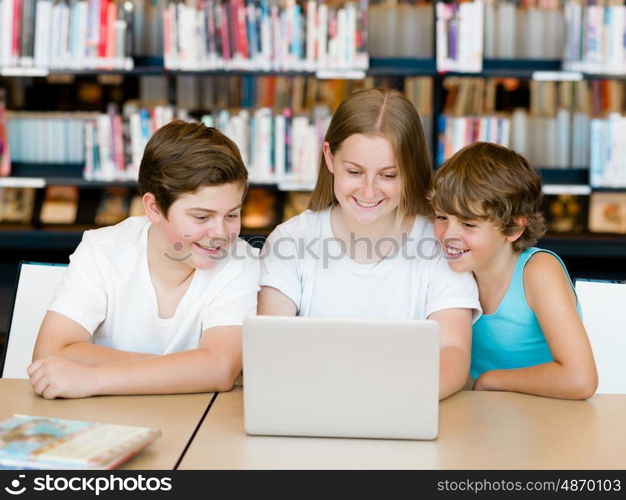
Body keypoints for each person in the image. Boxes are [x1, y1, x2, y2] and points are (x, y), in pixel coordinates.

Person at [258, 88, 481, 400]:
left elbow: (453, 352)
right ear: (329, 157)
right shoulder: (291, 241)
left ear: (410, 171)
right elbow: (272, 351)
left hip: (406, 412)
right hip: (313, 413)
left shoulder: (440, 244)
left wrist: (390, 402)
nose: (368, 191)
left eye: (388, 175)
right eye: (354, 172)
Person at [28, 120, 259, 399]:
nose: (221, 233)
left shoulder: (241, 262)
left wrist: (93, 378)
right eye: (201, 217)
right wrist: (190, 370)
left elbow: (220, 368)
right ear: (154, 207)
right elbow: (51, 353)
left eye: (232, 215)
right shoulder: (101, 249)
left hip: (196, 425)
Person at [429, 142, 598, 399]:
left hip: (547, 422)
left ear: (513, 229)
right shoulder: (449, 270)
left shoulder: (538, 272)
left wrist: (490, 380)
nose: (448, 235)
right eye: (441, 217)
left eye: (468, 223)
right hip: (479, 419)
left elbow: (580, 379)